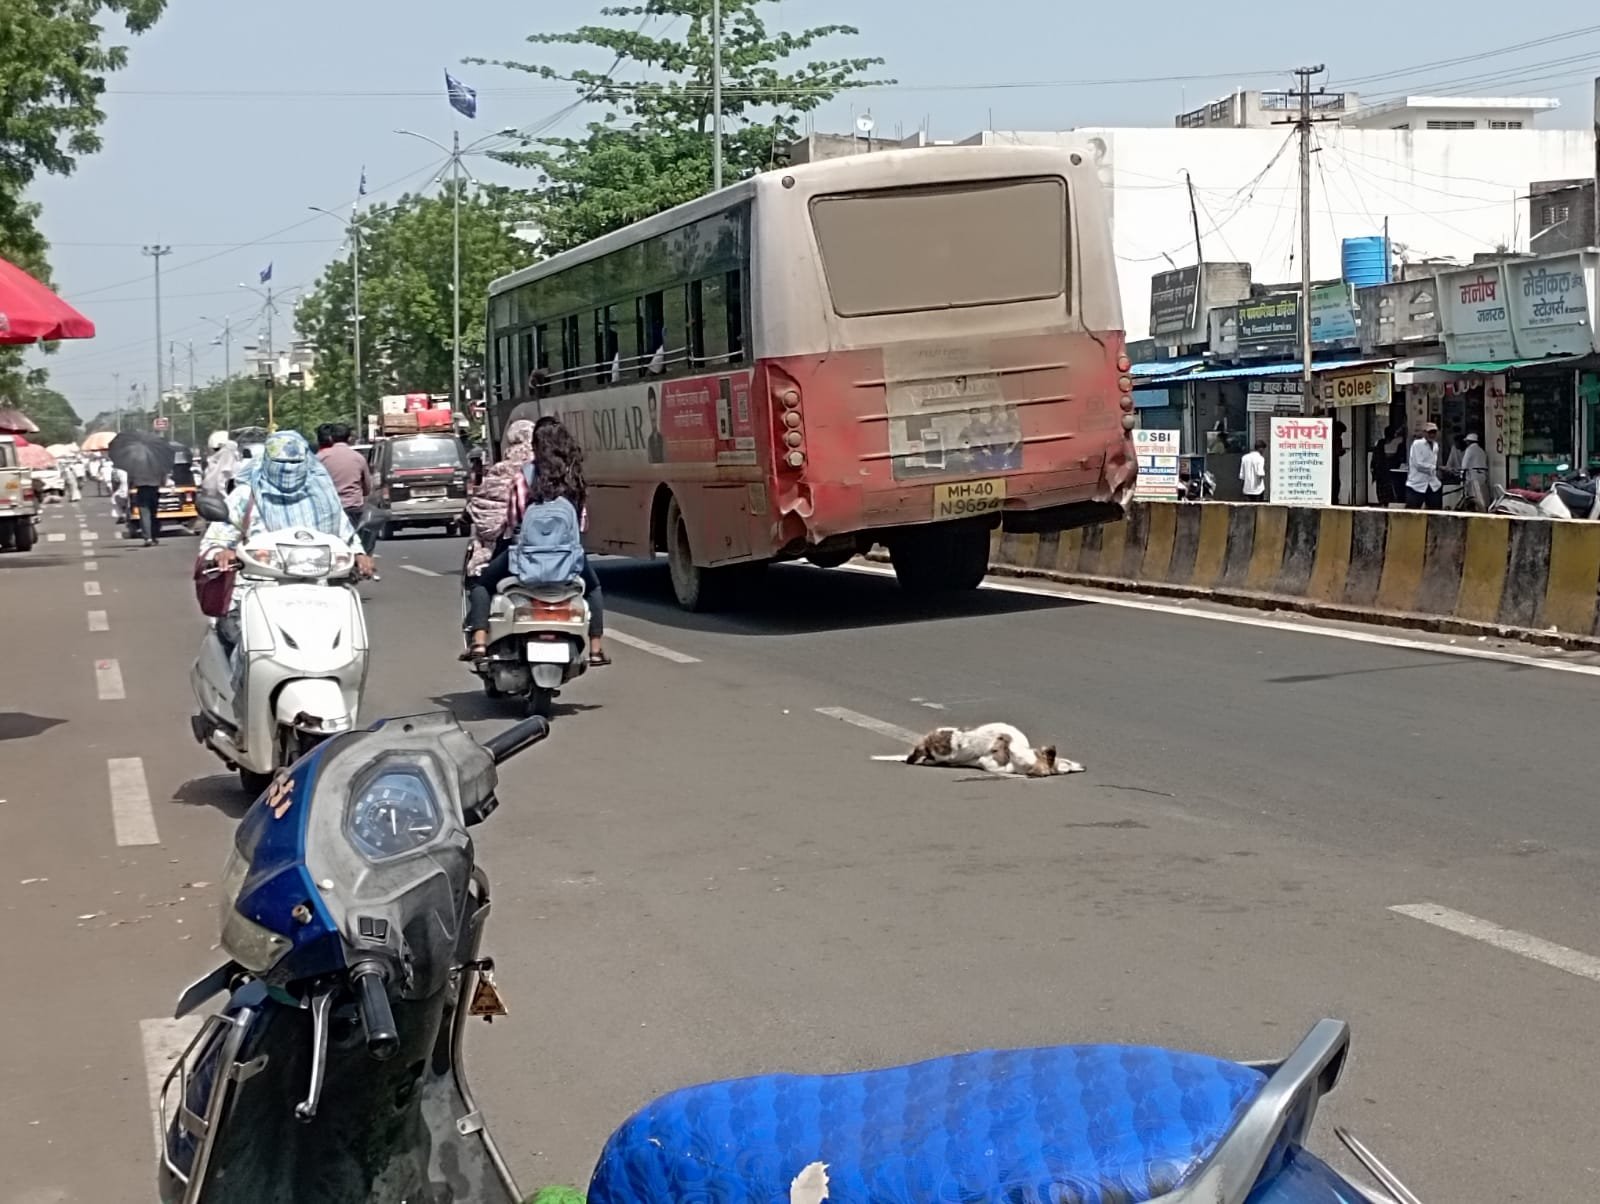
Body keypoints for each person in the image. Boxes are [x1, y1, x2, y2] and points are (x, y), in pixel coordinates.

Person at [461, 419, 537, 661]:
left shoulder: (500, 470)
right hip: (546, 552)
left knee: (480, 581)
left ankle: (479, 640)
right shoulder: (546, 469)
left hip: (506, 546)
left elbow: (482, 503)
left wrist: (467, 515)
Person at [317, 423, 375, 560]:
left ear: (331, 438)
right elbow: (367, 488)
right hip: (354, 508)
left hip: (328, 510)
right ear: (349, 439)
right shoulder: (358, 458)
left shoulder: (320, 457)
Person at [126, 451, 166, 547]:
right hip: (154, 487)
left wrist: (130, 485)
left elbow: (130, 476)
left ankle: (147, 537)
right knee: (153, 513)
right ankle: (154, 536)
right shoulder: (157, 459)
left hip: (142, 488)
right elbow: (163, 473)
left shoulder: (135, 461)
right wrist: (162, 482)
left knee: (145, 513)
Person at [1406, 422, 1443, 510]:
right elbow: (1418, 464)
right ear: (1424, 433)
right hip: (1417, 484)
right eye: (1430, 432)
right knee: (1413, 514)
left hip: (1432, 483)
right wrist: (1436, 468)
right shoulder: (1417, 444)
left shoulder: (1435, 445)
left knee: (1435, 512)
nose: (1432, 435)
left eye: (1434, 432)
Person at [1460, 432, 1489, 511]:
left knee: (1474, 495)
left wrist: (1461, 476)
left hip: (1474, 475)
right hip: (1483, 475)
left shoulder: (1469, 450)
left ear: (1469, 442)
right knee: (1482, 494)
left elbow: (1464, 465)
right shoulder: (1482, 451)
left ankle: (1478, 511)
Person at [645, 386, 666, 464]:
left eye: (654, 410)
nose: (653, 416)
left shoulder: (662, 438)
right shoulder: (650, 440)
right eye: (650, 411)